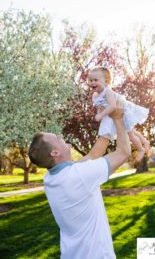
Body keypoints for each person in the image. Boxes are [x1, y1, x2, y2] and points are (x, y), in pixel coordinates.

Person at [28, 108, 131, 259]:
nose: (60, 136)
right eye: (57, 137)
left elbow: (93, 155)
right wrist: (117, 119)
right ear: (55, 153)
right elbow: (124, 152)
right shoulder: (78, 175)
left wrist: (107, 123)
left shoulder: (51, 178)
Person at [88, 66, 150, 163]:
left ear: (106, 81)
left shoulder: (107, 92)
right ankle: (145, 141)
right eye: (90, 80)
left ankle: (141, 150)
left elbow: (112, 106)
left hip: (124, 111)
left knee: (130, 134)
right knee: (131, 131)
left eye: (96, 80)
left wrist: (100, 115)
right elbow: (100, 107)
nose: (92, 82)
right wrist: (99, 113)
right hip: (115, 113)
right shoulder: (95, 95)